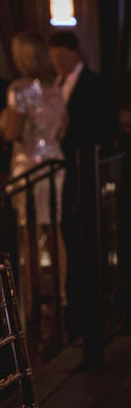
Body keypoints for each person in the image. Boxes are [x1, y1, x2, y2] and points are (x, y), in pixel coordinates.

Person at [47, 30, 116, 339]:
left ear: (75, 53)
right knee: (66, 234)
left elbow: (105, 126)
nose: (58, 63)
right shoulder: (55, 85)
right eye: (54, 59)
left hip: (83, 170)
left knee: (83, 237)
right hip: (59, 171)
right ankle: (72, 303)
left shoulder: (95, 84)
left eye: (62, 57)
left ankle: (90, 304)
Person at [0, 31, 67, 314]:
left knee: (27, 233)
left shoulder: (19, 89)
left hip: (28, 163)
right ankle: (61, 295)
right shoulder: (55, 87)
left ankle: (30, 298)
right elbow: (62, 128)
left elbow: (12, 133)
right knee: (54, 230)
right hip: (53, 161)